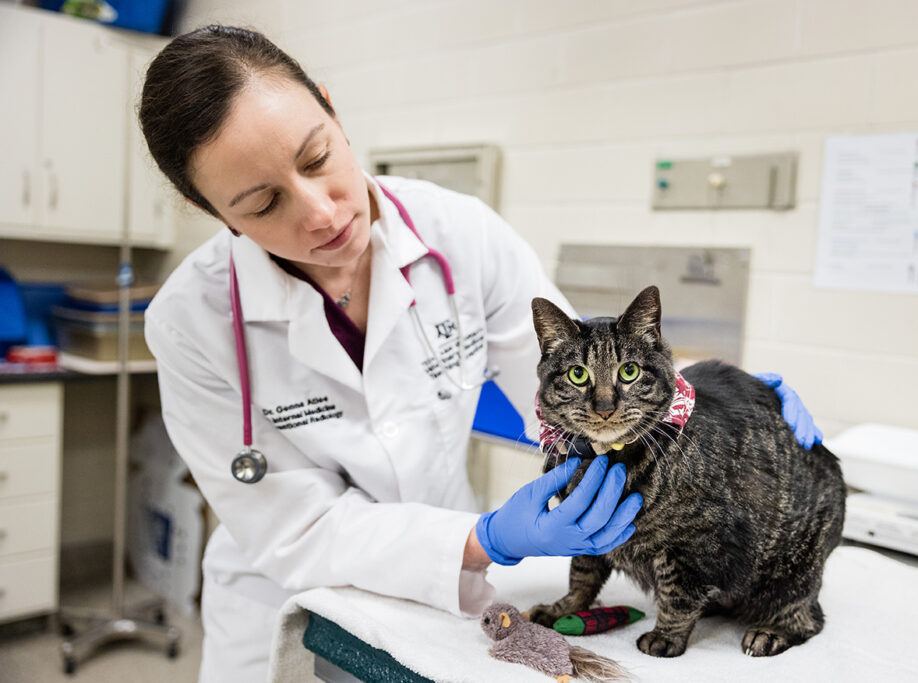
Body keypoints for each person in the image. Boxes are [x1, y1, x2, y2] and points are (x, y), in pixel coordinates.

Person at [139, 25, 823, 682]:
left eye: (318, 158)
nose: (320, 211)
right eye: (263, 203)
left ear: (332, 108)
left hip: (448, 594)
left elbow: (561, 388)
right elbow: (296, 529)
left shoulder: (458, 234)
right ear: (215, 212)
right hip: (286, 605)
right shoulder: (191, 323)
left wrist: (705, 402)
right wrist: (487, 537)